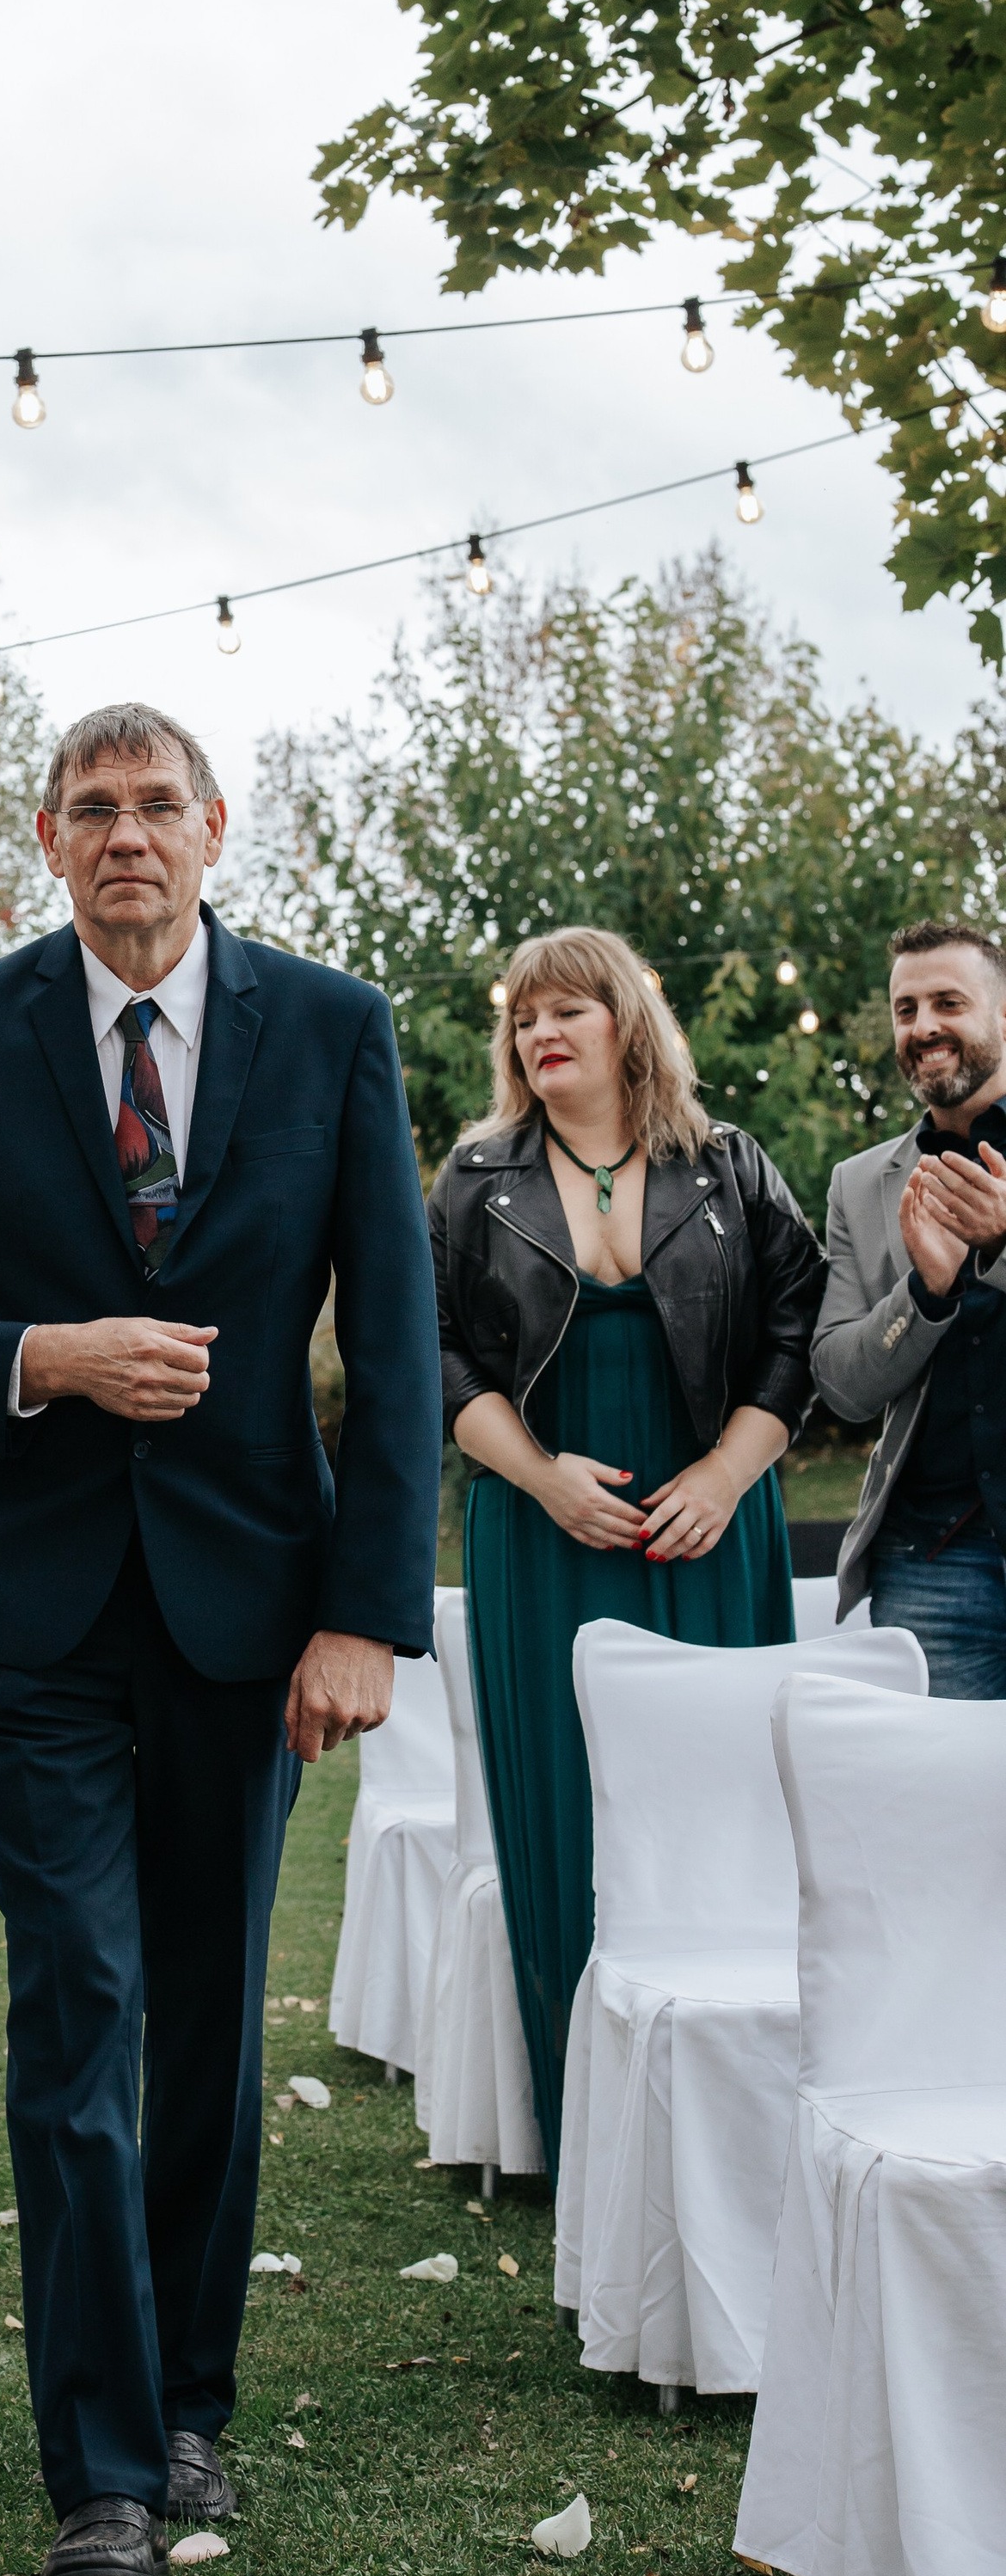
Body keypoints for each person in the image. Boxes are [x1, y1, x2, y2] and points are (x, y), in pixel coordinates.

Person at [0, 701, 442, 2576]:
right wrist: (38, 1355)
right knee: (77, 2006)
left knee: (207, 2025)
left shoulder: (329, 1030)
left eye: (153, 804)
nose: (123, 835)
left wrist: (362, 1612)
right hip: (31, 1619)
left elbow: (398, 1348)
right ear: (46, 838)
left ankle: (189, 2398)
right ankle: (97, 2473)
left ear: (211, 826)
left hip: (248, 1620)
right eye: (88, 809)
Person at [429, 926, 823, 2172]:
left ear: (626, 1025)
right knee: (563, 1816)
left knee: (722, 1818)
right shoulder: (474, 1177)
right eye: (525, 1019)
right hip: (542, 1536)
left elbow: (801, 1333)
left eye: (569, 1013)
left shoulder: (729, 1166)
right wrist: (544, 1482)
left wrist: (721, 1474)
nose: (541, 1035)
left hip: (707, 1527)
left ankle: (734, 2139)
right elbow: (432, 1356)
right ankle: (590, 2146)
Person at [811, 919, 1006, 1697]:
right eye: (905, 1009)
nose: (924, 1027)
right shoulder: (858, 1186)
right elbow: (842, 1383)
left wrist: (999, 1243)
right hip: (932, 1565)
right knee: (942, 1813)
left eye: (948, 1003)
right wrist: (926, 1293)